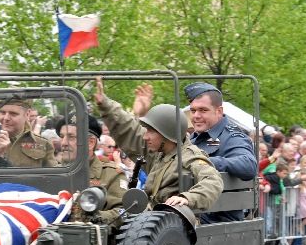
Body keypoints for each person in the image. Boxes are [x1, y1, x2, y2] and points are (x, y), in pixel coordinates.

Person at [94, 78, 223, 212]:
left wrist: (188, 198)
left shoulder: (189, 157)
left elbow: (213, 181)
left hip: (172, 224)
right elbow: (129, 131)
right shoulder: (159, 153)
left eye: (151, 131)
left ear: (166, 134)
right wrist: (105, 105)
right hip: (153, 220)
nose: (146, 136)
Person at [184, 82, 257, 222]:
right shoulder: (194, 138)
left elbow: (248, 165)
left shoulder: (232, 137)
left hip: (217, 222)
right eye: (193, 111)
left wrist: (204, 162)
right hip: (192, 215)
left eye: (203, 110)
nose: (196, 116)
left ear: (218, 111)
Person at [57, 114, 125, 224]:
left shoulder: (111, 174)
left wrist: (92, 217)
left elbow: (124, 211)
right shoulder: (53, 173)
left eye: (71, 137)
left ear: (90, 143)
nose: (63, 143)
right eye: (61, 136)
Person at [0, 98, 57, 168]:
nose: (6, 118)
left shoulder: (42, 143)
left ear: (27, 114)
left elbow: (53, 176)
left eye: (13, 113)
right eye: (2, 112)